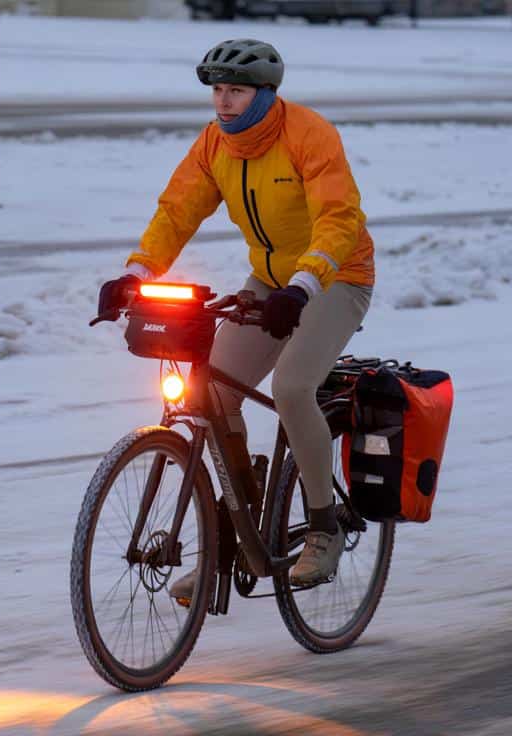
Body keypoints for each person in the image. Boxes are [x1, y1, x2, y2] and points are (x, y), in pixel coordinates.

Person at [97, 38, 376, 592]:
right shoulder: (214, 144)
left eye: (237, 91)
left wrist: (302, 286)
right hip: (270, 284)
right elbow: (177, 210)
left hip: (336, 278)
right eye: (218, 91)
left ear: (267, 93)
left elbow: (338, 219)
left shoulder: (309, 135)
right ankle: (240, 532)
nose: (224, 102)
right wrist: (139, 273)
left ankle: (324, 527)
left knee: (294, 389)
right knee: (212, 394)